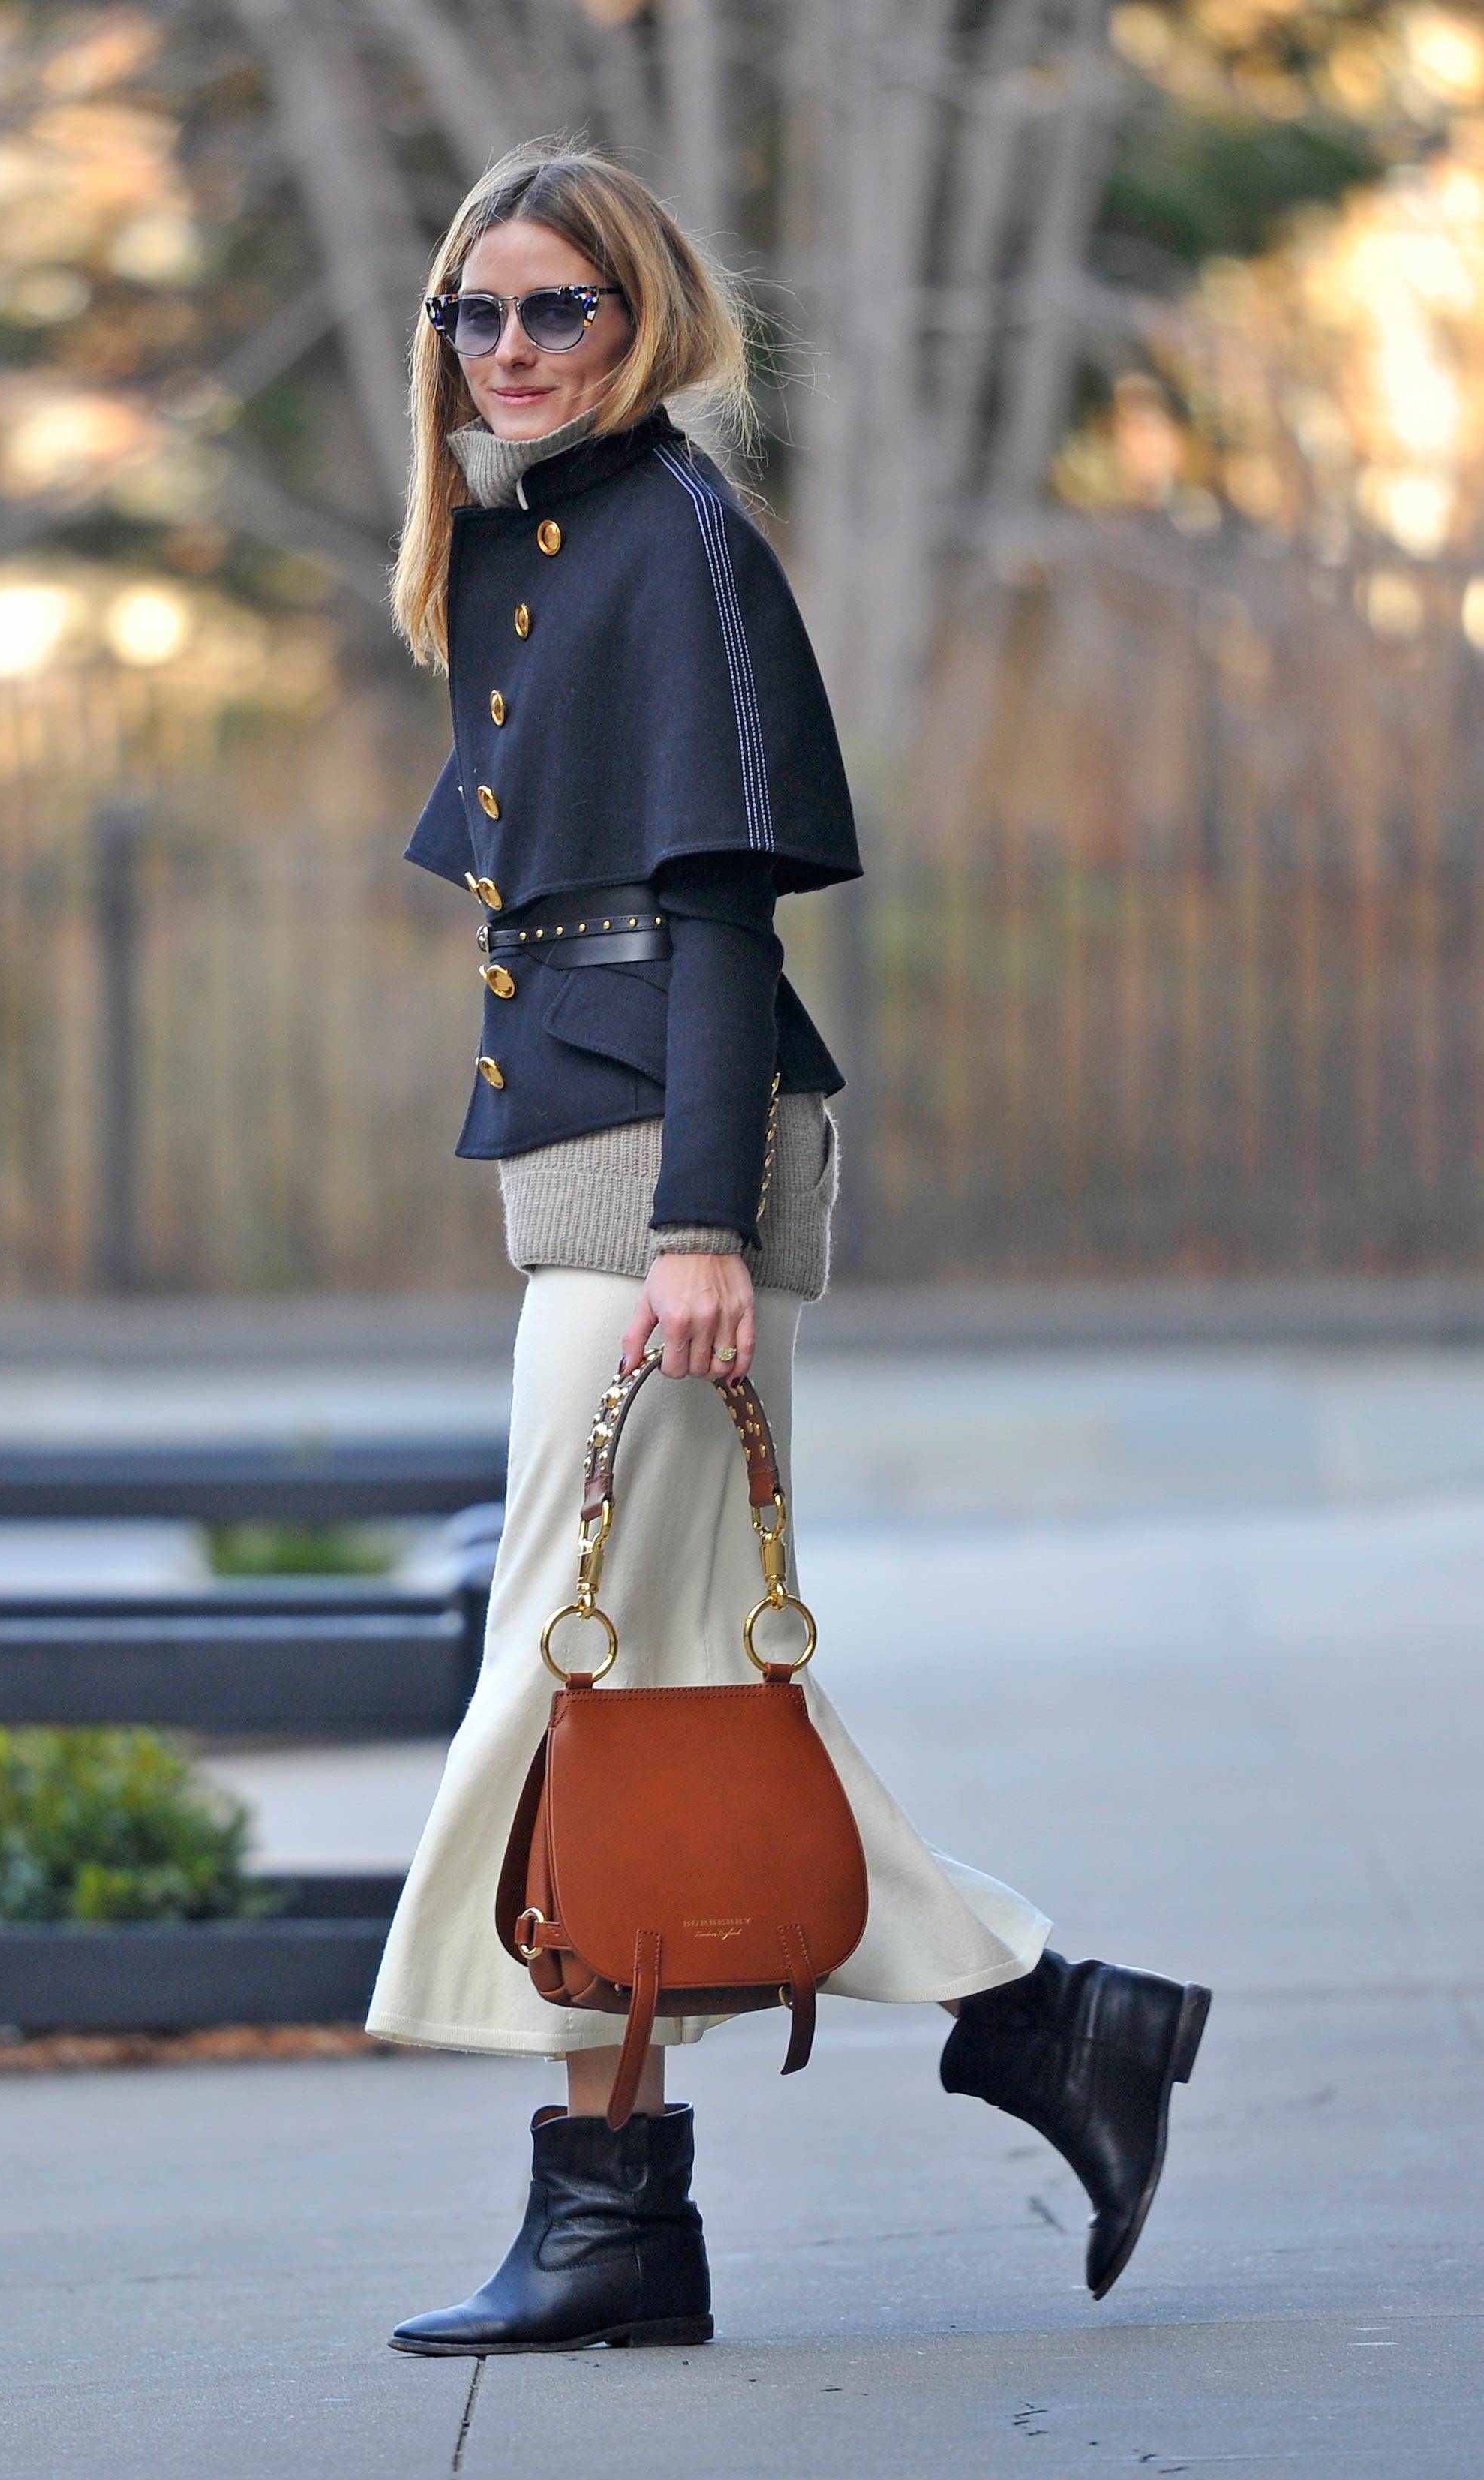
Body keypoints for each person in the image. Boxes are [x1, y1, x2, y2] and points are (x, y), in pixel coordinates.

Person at [371, 141, 1210, 2357]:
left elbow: (721, 907)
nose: (518, 351)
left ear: (642, 323)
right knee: (640, 1671)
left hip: (670, 1172)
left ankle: (630, 2200)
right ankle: (1025, 2027)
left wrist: (702, 1230)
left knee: (556, 1683)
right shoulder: (522, 541)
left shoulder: (684, 541)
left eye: (561, 310)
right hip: (589, 1154)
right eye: (481, 313)